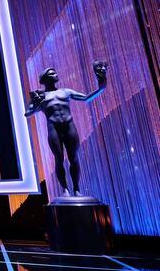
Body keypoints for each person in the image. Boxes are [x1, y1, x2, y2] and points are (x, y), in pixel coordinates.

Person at [25, 61, 107, 197]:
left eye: (55, 72)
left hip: (69, 128)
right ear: (44, 79)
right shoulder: (41, 96)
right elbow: (28, 113)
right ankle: (65, 189)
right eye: (51, 73)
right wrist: (36, 103)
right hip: (54, 130)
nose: (55, 74)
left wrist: (101, 87)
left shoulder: (66, 91)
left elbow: (86, 98)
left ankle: (76, 189)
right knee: (59, 159)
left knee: (73, 158)